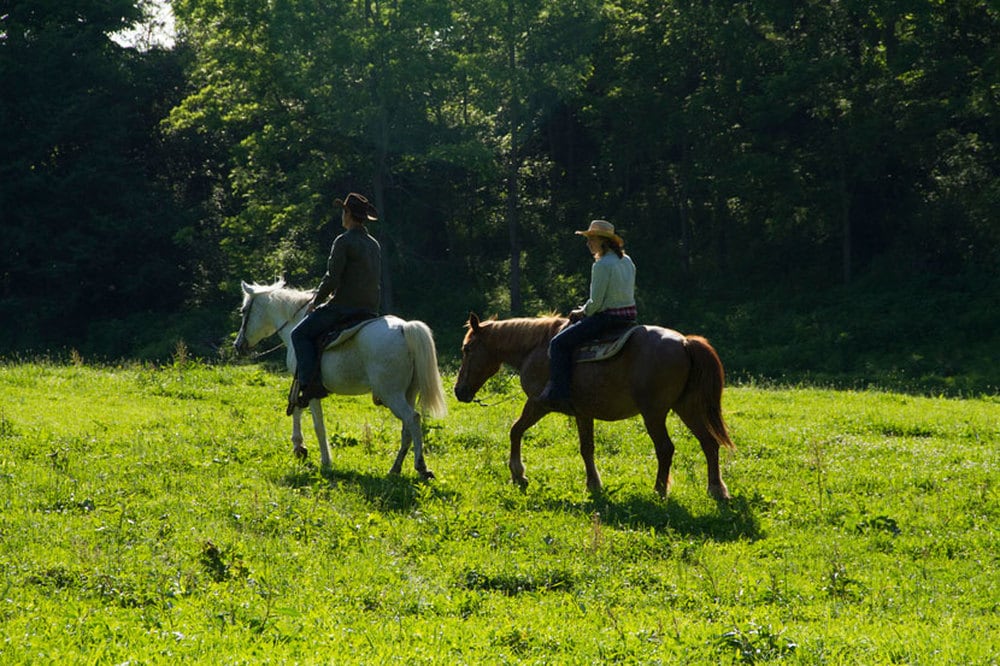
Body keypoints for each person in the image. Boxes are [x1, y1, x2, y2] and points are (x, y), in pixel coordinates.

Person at [287, 192, 382, 415]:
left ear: (347, 214)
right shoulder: (374, 244)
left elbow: (332, 278)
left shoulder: (344, 241)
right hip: (370, 310)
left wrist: (315, 302)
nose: (342, 215)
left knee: (298, 335)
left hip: (344, 307)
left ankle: (310, 385)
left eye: (343, 211)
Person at [539, 219, 637, 413]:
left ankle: (560, 394)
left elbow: (596, 303)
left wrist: (581, 311)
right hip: (628, 318)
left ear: (602, 241)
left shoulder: (601, 265)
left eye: (591, 239)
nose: (588, 243)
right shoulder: (626, 260)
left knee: (558, 344)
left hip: (607, 318)